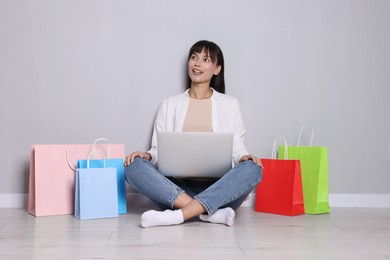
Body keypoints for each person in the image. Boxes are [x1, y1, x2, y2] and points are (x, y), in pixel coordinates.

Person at [124, 40, 263, 228]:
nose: (197, 63)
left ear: (217, 69)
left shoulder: (230, 104)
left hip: (219, 188)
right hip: (178, 189)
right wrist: (148, 155)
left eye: (205, 59)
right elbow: (158, 150)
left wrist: (244, 157)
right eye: (194, 57)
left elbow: (237, 148)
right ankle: (207, 212)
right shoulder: (169, 104)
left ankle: (178, 215)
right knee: (132, 165)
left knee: (254, 168)